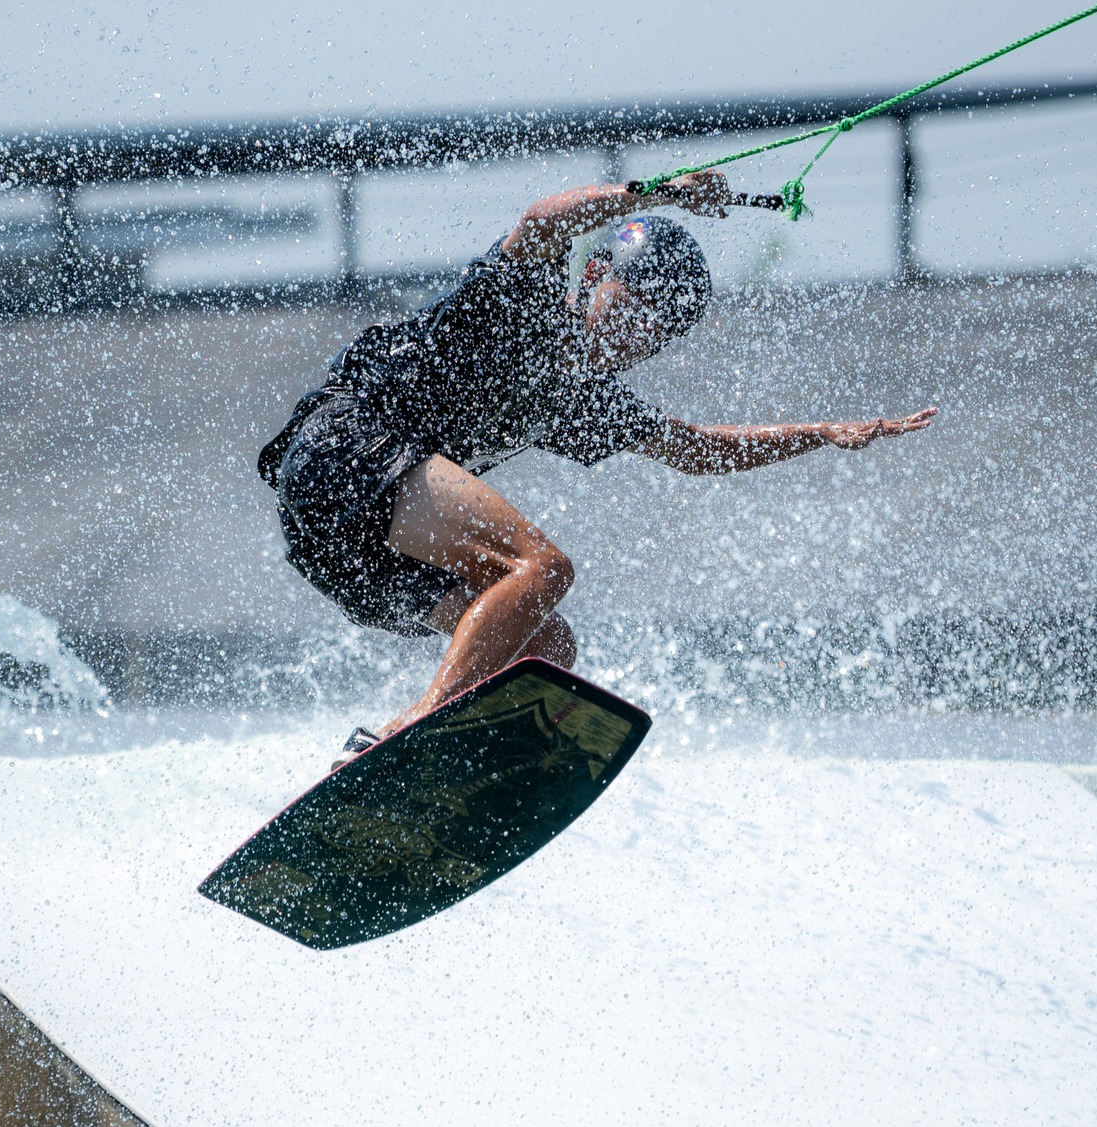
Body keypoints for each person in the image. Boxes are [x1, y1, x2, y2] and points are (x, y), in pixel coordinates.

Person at [258, 170, 936, 764]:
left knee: (546, 647)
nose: (637, 337)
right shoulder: (522, 299)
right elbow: (542, 219)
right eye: (635, 307)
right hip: (342, 452)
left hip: (342, 555)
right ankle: (405, 729)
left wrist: (820, 433)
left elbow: (697, 449)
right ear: (594, 276)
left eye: (658, 332)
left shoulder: (577, 400)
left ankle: (444, 770)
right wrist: (657, 191)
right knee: (544, 568)